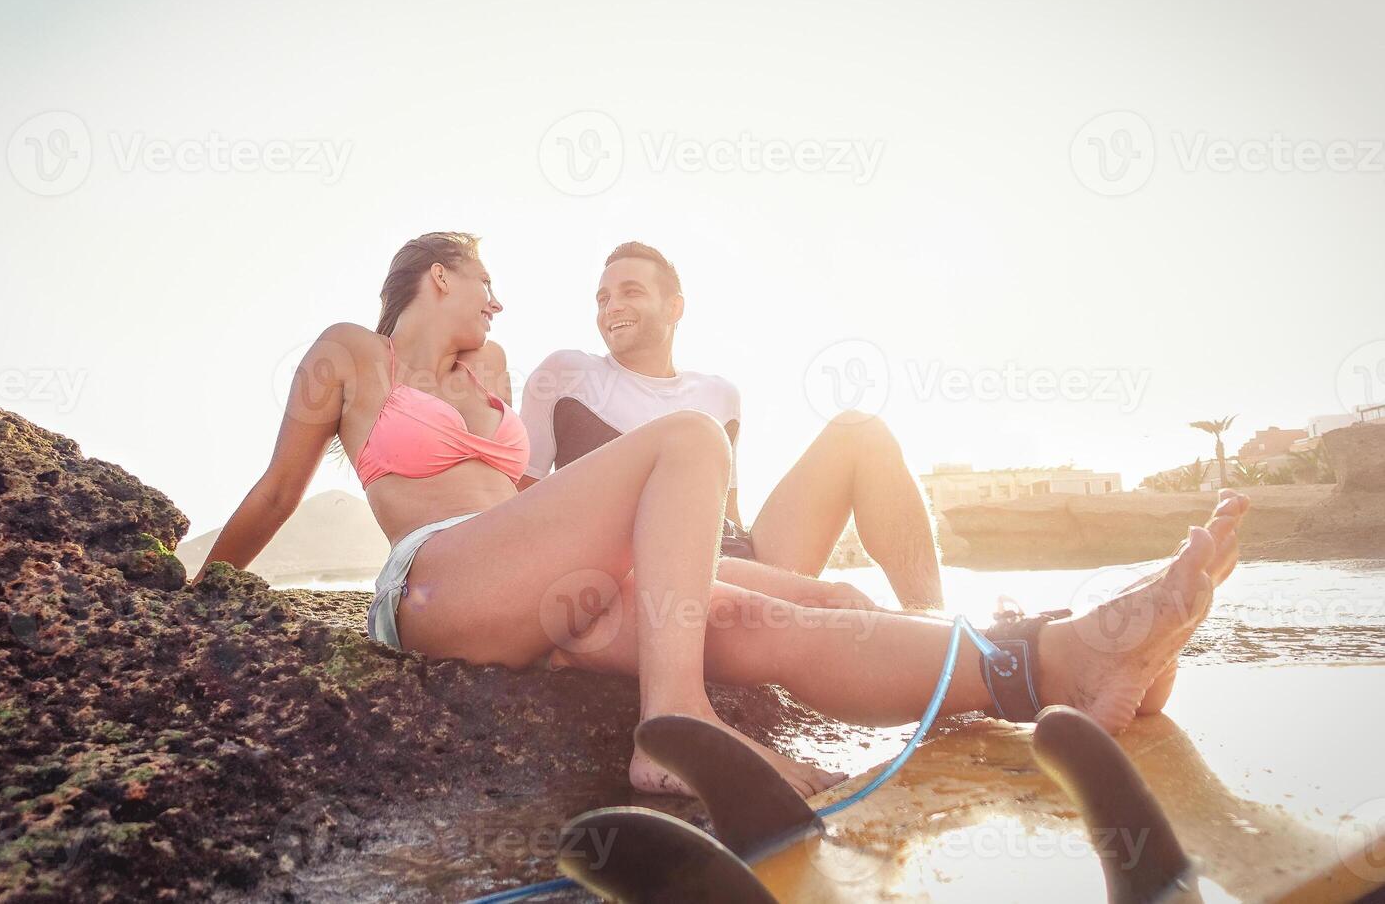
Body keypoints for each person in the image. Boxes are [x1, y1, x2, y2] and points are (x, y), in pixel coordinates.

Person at [199, 231, 1250, 799]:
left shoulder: (495, 372)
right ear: (439, 272)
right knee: (689, 443)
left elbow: (529, 495)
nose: (499, 304)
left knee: (801, 605)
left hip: (539, 585)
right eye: (486, 282)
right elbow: (279, 489)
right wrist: (196, 590)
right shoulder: (350, 353)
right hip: (433, 579)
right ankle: (673, 721)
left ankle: (1057, 663)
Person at [518, 241, 943, 611]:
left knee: (861, 431)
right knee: (840, 600)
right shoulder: (567, 374)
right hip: (650, 567)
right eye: (603, 298)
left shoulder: (720, 395)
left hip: (733, 559)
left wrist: (769, 576)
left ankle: (934, 620)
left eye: (631, 292)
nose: (612, 307)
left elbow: (729, 516)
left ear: (674, 307)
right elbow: (517, 508)